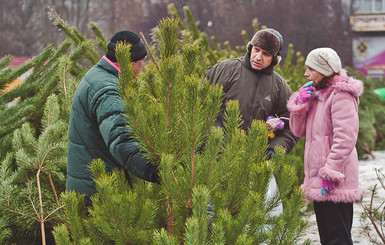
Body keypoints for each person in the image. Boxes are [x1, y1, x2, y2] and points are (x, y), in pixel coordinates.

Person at [67, 31, 159, 206]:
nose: (142, 68)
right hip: (100, 195)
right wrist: (159, 171)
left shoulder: (98, 75)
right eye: (143, 62)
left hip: (91, 188)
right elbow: (122, 142)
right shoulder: (108, 91)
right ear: (131, 63)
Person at [287, 47, 363, 244]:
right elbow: (298, 131)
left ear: (324, 70)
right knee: (328, 239)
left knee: (338, 239)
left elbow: (346, 138)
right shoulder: (318, 96)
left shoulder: (341, 96)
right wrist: (300, 105)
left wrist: (331, 171)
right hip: (318, 182)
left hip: (335, 182)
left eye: (310, 69)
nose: (306, 74)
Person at [204, 28, 298, 157]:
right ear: (250, 48)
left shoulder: (279, 87)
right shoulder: (225, 70)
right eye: (256, 50)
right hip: (211, 158)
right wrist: (212, 131)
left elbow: (294, 124)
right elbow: (196, 102)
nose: (258, 57)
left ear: (275, 58)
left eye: (266, 54)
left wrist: (274, 149)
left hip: (249, 165)